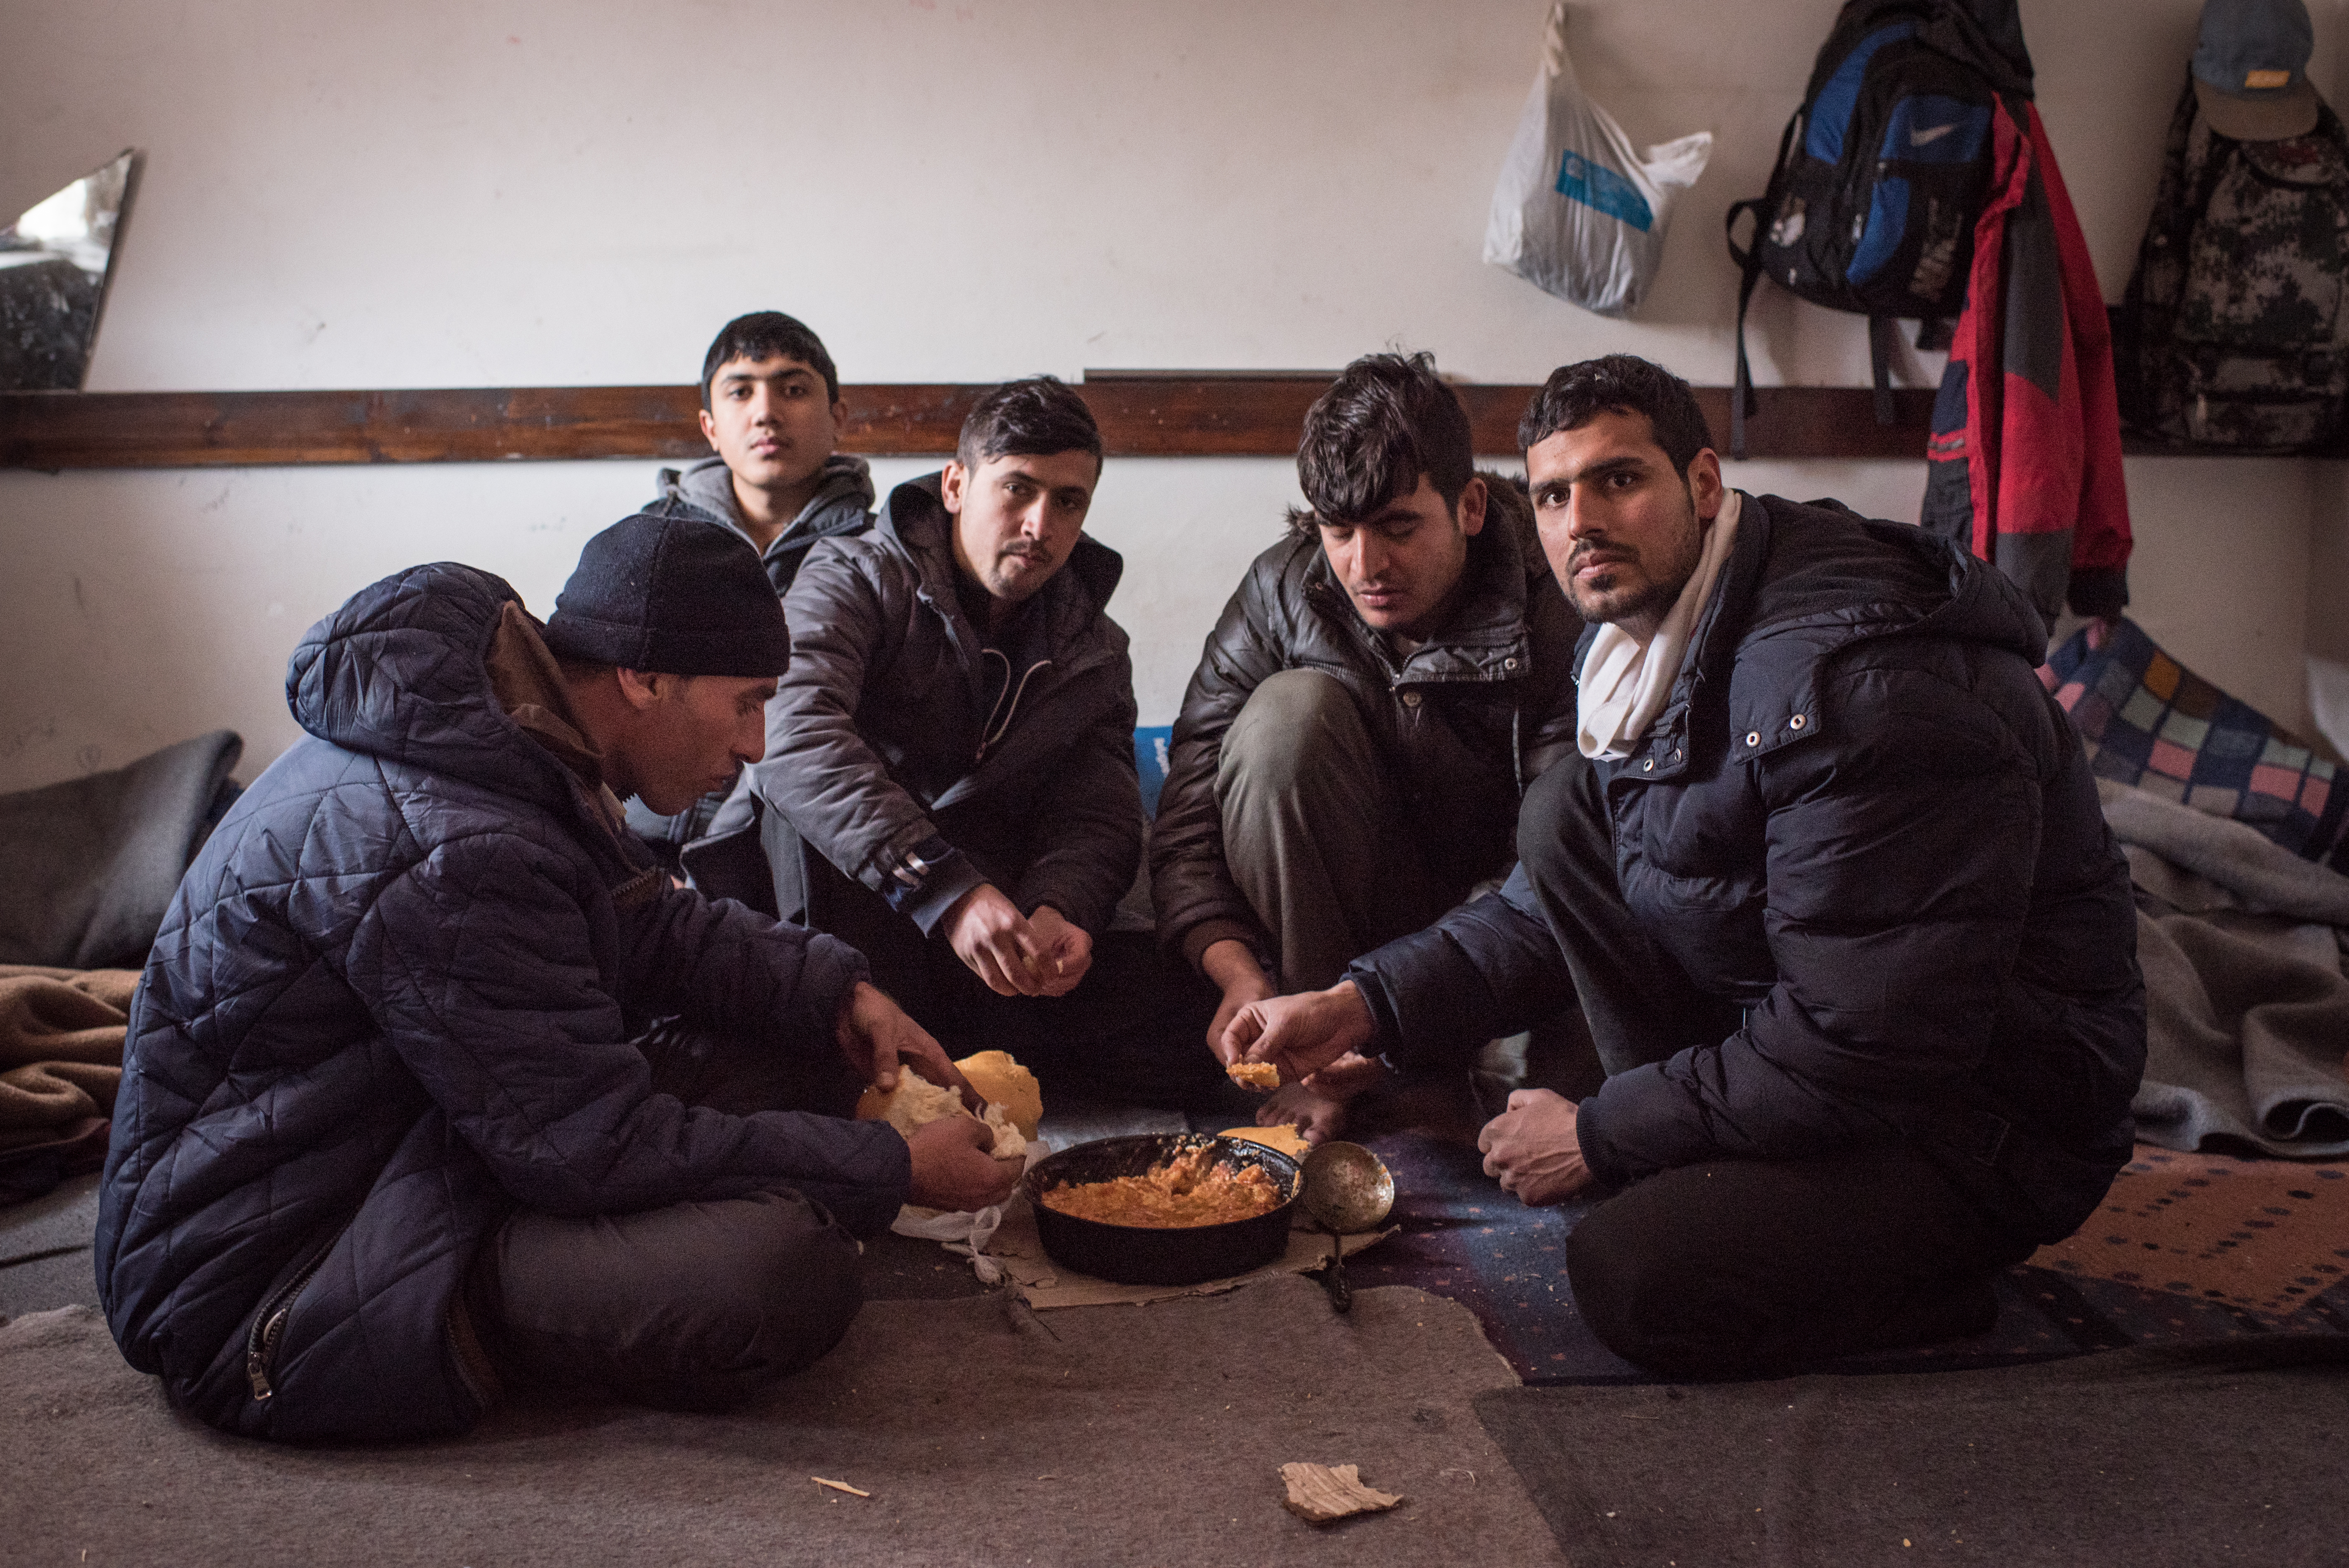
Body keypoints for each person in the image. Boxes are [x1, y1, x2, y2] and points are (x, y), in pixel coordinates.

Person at [1227, 354, 2146, 1375]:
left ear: (1703, 485)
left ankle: (1935, 1275)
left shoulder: (1857, 688)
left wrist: (1605, 1131)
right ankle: (1722, 1175)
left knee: (1637, 1277)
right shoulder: (1648, 638)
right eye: (1554, 494)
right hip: (1819, 1039)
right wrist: (1361, 1003)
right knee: (1568, 808)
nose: (1582, 521)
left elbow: (1868, 1046)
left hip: (1974, 1121)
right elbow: (1558, 896)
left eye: (1619, 479)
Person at [95, 511, 1019, 1445]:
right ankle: (477, 1329)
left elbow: (652, 920)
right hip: (278, 1278)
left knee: (816, 1058)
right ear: (644, 678)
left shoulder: (510, 735)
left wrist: (836, 993)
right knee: (782, 1270)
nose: (758, 744)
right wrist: (890, 1167)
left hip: (432, 1142)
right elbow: (596, 1143)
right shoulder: (456, 841)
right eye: (747, 701)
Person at [743, 375, 1226, 1108]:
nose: (1040, 524)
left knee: (1194, 1025)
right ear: (956, 485)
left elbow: (1097, 810)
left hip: (993, 929)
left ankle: (959, 1063)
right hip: (865, 909)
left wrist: (1062, 910)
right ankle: (892, 1057)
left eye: (1068, 502)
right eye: (1017, 489)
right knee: (795, 815)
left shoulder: (1097, 647)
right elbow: (790, 733)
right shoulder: (851, 574)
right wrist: (948, 891)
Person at [1150, 351, 1583, 1140]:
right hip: (1332, 923)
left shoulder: (1557, 603)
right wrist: (1239, 977)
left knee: (1553, 1093)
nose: (1365, 565)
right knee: (1286, 718)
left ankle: (1374, 1055)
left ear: (1472, 505)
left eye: (1398, 527)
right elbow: (1186, 815)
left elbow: (1560, 858)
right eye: (1339, 530)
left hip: (1501, 932)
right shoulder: (1282, 588)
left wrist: (1387, 1020)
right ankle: (1319, 1056)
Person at [630, 311, 876, 873]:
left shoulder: (880, 558)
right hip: (634, 850)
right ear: (710, 426)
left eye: (793, 389)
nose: (766, 411)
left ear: (838, 417)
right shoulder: (647, 545)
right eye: (740, 392)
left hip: (794, 863)